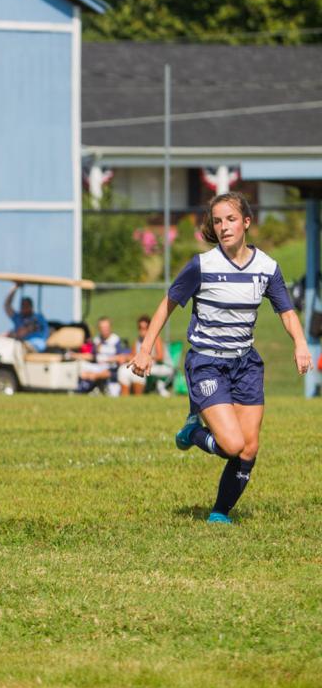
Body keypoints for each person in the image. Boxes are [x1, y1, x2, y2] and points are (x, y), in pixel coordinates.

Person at [130, 192, 311, 524]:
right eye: (217, 221)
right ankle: (192, 431)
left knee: (249, 448)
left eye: (230, 219)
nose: (224, 226)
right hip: (207, 363)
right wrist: (145, 349)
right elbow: (167, 304)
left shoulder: (267, 267)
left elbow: (286, 311)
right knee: (231, 444)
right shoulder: (202, 265)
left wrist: (300, 344)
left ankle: (220, 513)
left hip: (246, 364)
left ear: (246, 222)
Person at [117, 315, 171, 396]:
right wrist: (124, 358)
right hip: (145, 367)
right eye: (140, 328)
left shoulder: (156, 339)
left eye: (145, 328)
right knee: (123, 369)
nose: (142, 331)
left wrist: (146, 358)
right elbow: (133, 356)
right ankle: (125, 397)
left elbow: (160, 357)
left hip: (161, 367)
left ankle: (138, 396)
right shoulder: (137, 341)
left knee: (140, 367)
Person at [74, 316, 129, 395]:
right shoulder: (97, 340)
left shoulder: (115, 340)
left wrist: (107, 359)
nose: (104, 329)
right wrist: (75, 355)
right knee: (81, 366)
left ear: (110, 327)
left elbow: (122, 357)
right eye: (102, 327)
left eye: (106, 327)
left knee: (108, 372)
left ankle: (95, 379)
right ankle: (81, 388)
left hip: (111, 369)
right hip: (98, 366)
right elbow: (92, 356)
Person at [3, 285, 49, 351]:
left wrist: (11, 334)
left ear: (31, 307)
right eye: (22, 306)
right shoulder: (18, 317)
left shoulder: (38, 318)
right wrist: (15, 287)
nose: (24, 308)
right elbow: (7, 306)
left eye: (26, 306)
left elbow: (22, 332)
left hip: (35, 345)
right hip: (19, 345)